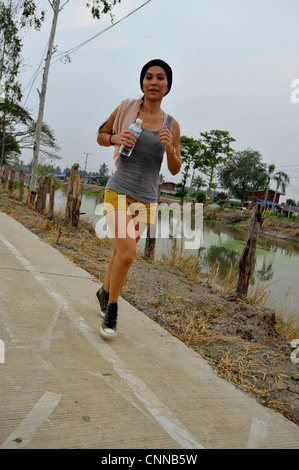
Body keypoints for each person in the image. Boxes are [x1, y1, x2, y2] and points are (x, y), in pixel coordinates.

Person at [96, 59, 181, 339]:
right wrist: (116, 138)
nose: (153, 82)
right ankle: (112, 309)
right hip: (118, 188)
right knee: (128, 254)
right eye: (148, 77)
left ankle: (104, 291)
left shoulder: (171, 124)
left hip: (146, 198)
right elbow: (101, 134)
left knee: (120, 253)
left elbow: (175, 168)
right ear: (142, 82)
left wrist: (170, 148)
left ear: (167, 85)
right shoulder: (126, 109)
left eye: (160, 78)